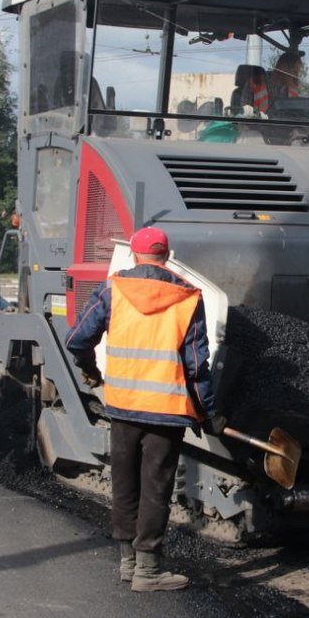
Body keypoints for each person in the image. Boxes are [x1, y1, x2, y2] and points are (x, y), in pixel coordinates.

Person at [65, 226, 216, 593]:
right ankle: (147, 568)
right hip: (165, 412)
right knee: (155, 488)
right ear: (168, 255)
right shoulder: (187, 296)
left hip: (123, 405)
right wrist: (207, 411)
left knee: (125, 483)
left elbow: (76, 339)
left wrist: (90, 369)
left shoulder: (113, 289)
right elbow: (196, 366)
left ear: (133, 255)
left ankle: (127, 563)